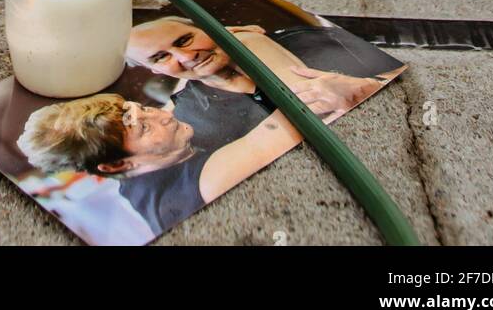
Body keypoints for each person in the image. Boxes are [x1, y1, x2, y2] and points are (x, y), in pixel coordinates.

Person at [18, 91, 301, 235]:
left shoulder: (156, 152)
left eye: (142, 108)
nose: (164, 117)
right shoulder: (202, 182)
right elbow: (300, 117)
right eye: (144, 129)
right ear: (117, 165)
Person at [126, 16, 398, 119]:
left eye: (185, 40)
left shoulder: (305, 41)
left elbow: (396, 78)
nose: (186, 57)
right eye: (160, 57)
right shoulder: (190, 110)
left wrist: (368, 86)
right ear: (156, 71)